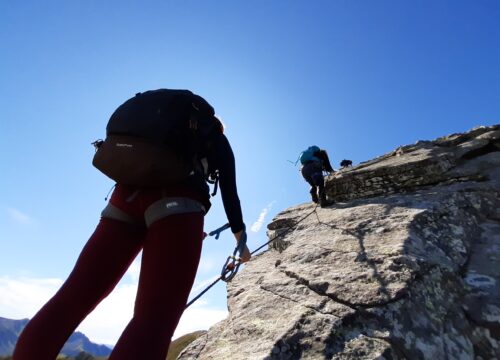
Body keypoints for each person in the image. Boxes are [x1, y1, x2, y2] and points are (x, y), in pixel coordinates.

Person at [13, 89, 250, 360]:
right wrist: (240, 240)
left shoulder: (156, 128)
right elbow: (230, 193)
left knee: (71, 299)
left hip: (122, 201)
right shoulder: (216, 138)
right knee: (153, 321)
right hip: (177, 207)